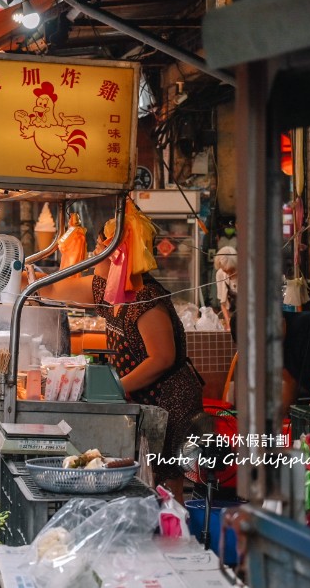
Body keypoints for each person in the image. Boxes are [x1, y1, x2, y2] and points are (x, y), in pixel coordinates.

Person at [89, 205, 202, 502]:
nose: (95, 251)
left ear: (117, 251)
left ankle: (174, 537)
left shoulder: (146, 298)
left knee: (165, 482)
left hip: (169, 401)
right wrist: (26, 283)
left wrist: (115, 388)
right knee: (143, 479)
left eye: (100, 244)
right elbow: (63, 288)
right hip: (143, 399)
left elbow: (162, 358)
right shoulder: (110, 290)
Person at [214, 246, 237, 330]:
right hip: (232, 317)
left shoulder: (246, 273)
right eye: (226, 271)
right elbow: (223, 303)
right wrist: (229, 324)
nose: (229, 274)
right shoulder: (220, 274)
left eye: (232, 270)